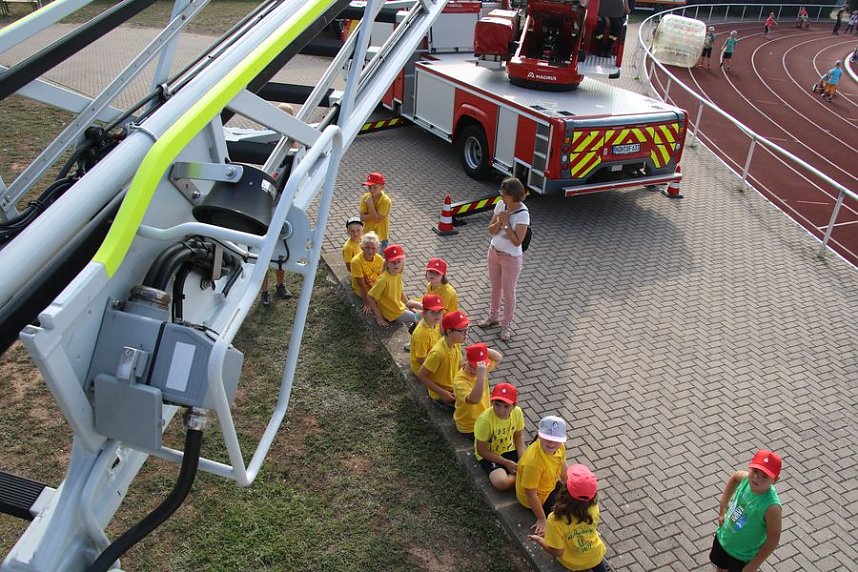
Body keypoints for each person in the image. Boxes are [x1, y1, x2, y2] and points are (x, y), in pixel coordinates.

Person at [709, 450, 783, 572]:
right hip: (724, 539)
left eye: (765, 476)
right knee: (720, 566)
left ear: (775, 480)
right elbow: (735, 477)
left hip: (742, 556)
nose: (757, 478)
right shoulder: (746, 479)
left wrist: (754, 565)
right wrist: (723, 507)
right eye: (755, 471)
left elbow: (773, 540)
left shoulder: (772, 508)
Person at [529, 464, 608, 572]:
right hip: (596, 554)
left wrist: (540, 540)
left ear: (565, 491)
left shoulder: (554, 519)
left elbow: (557, 551)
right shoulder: (594, 508)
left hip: (573, 563)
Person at [478, 177, 530, 342]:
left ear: (513, 195)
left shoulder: (523, 214)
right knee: (495, 288)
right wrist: (499, 222)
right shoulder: (501, 205)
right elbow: (491, 230)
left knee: (509, 293)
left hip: (511, 259)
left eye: (504, 194)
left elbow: (517, 241)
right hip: (494, 253)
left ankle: (506, 325)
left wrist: (506, 224)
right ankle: (493, 317)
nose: (501, 196)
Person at [516, 415, 568, 535]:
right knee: (565, 515)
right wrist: (542, 518)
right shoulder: (533, 463)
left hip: (549, 484)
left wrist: (570, 485)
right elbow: (531, 494)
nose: (551, 443)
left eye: (555, 439)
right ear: (539, 435)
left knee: (577, 498)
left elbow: (562, 465)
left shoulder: (560, 447)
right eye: (547, 438)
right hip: (539, 497)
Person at [472, 382, 525, 491]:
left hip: (509, 449)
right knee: (501, 483)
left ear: (514, 405)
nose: (501, 411)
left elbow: (518, 436)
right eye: (497, 405)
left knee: (531, 466)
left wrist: (521, 457)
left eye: (506, 406)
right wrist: (506, 463)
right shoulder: (484, 420)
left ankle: (521, 477)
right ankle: (522, 478)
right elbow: (481, 450)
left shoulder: (518, 412)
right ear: (491, 402)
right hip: (490, 454)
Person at [416, 310, 469, 408]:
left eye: (467, 330)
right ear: (449, 332)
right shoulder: (438, 353)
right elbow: (421, 375)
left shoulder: (455, 343)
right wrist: (442, 392)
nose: (466, 334)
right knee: (467, 409)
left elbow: (458, 364)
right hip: (442, 393)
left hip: (453, 385)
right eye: (462, 331)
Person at [452, 342, 503, 434]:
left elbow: (498, 358)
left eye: (479, 367)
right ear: (467, 362)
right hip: (470, 426)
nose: (475, 370)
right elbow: (474, 400)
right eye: (472, 366)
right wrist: (481, 376)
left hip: (483, 418)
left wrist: (482, 351)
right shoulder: (460, 381)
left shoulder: (481, 369)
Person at [367, 244, 422, 328]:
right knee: (421, 318)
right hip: (392, 313)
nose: (396, 265)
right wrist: (379, 317)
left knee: (422, 310)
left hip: (399, 307)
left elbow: (400, 292)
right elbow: (370, 297)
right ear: (387, 263)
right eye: (393, 262)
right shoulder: (383, 280)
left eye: (399, 262)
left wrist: (409, 305)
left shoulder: (397, 274)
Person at [410, 294, 444, 376]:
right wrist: (439, 366)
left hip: (433, 357)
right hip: (422, 367)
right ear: (424, 313)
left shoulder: (434, 322)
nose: (437, 315)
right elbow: (421, 359)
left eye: (440, 311)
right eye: (433, 312)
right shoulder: (422, 334)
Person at [351, 232, 384, 315]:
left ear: (377, 248)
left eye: (373, 248)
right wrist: (367, 302)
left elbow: (382, 276)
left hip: (374, 286)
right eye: (367, 248)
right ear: (362, 247)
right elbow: (361, 285)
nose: (370, 251)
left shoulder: (379, 259)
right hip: (363, 289)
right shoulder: (356, 262)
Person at [359, 172, 392, 250]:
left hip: (381, 238)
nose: (372, 190)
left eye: (375, 187)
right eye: (369, 187)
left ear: (382, 187)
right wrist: (374, 215)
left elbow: (377, 219)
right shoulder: (365, 197)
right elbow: (362, 218)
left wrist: (370, 205)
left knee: (380, 257)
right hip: (367, 236)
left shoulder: (386, 201)